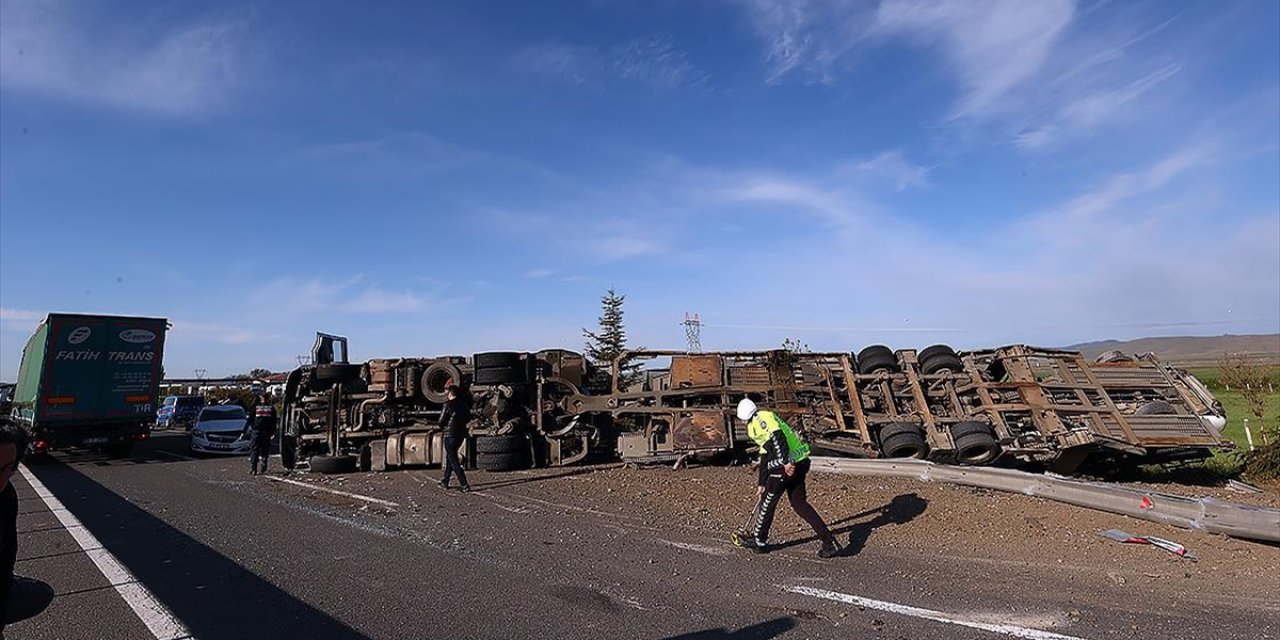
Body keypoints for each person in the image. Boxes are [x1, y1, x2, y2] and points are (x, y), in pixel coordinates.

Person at [733, 398, 842, 558]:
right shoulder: (761, 420)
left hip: (788, 465)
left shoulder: (761, 419)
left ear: (743, 417)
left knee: (768, 501)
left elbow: (779, 439)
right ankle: (829, 542)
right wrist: (761, 482)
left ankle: (759, 540)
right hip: (799, 461)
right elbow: (765, 454)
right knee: (799, 503)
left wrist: (785, 463)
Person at [1, 419, 54, 637]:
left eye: (8, 468)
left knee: (41, 594)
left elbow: (6, 557)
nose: (1, 479)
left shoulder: (7, 495)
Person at [437, 385, 471, 492]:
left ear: (450, 394)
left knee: (453, 460)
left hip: (449, 435)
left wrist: (442, 427)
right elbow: (467, 419)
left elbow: (441, 421)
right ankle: (445, 481)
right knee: (450, 458)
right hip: (460, 435)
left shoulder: (447, 405)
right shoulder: (464, 406)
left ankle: (464, 484)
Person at [245, 394, 277, 476]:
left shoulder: (256, 408)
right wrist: (273, 432)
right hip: (266, 432)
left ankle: (254, 468)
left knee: (254, 449)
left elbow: (249, 420)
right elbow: (274, 422)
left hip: (256, 431)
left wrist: (244, 431)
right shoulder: (271, 408)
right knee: (265, 449)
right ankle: (263, 466)